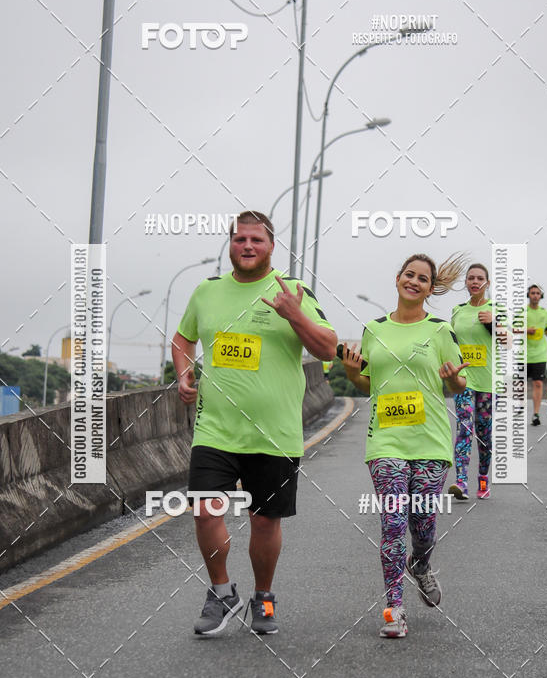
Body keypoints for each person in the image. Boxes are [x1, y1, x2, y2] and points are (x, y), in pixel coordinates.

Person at [172, 211, 337, 636]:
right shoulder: (206, 292)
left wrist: (295, 315)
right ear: (230, 244)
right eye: (240, 239)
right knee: (205, 511)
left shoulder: (292, 291)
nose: (247, 246)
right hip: (215, 429)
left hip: (274, 433)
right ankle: (221, 592)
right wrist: (184, 372)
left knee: (264, 521)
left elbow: (328, 350)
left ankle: (263, 596)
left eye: (256, 240)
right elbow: (183, 337)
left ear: (271, 247)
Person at [342, 253, 468, 638]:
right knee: (394, 522)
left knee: (423, 524)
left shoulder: (441, 331)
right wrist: (351, 371)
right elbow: (367, 384)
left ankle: (421, 564)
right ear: (397, 278)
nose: (414, 281)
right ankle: (394, 609)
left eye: (422, 279)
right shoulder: (374, 329)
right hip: (386, 440)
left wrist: (454, 379)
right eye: (409, 275)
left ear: (431, 289)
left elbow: (457, 384)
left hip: (430, 441)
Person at [448, 263, 497, 501]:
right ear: (466, 282)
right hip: (463, 381)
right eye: (471, 278)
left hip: (488, 383)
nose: (475, 282)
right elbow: (450, 343)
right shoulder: (457, 311)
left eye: (479, 278)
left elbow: (510, 343)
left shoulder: (497, 309)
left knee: (484, 434)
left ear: (487, 283)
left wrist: (493, 324)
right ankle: (461, 482)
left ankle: (483, 478)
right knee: (464, 429)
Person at [527, 284, 547, 426]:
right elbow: (513, 329)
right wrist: (526, 330)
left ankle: (536, 414)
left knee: (538, 383)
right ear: (528, 295)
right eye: (532, 293)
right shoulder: (522, 312)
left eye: (537, 293)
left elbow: (546, 332)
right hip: (523, 354)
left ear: (541, 296)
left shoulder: (544, 313)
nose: (535, 295)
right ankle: (519, 406)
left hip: (539, 354)